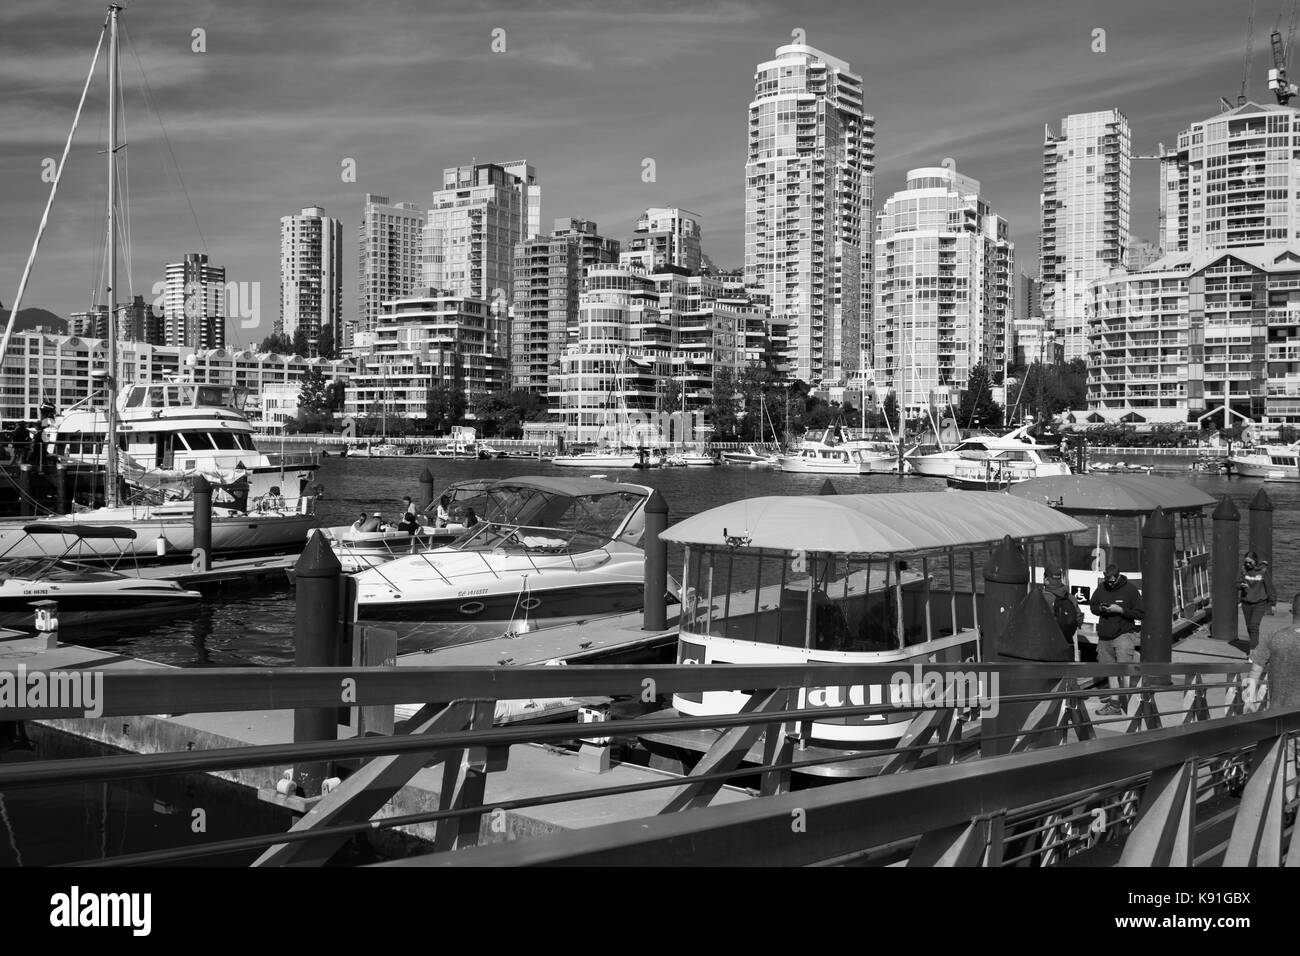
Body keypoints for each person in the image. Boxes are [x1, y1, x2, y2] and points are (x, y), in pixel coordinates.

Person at [1244, 593, 1300, 823]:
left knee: (1287, 762)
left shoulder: (1275, 637)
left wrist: (1251, 694)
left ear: (1292, 612)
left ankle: (1288, 807)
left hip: (1281, 713)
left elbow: (1256, 666)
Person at [1089, 563, 1144, 716]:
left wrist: (1121, 610)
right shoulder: (1102, 588)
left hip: (1123, 634)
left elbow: (1140, 613)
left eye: (1112, 581)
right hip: (1105, 635)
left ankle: (1128, 702)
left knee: (1124, 669)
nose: (1110, 583)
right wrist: (1101, 608)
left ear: (1118, 576)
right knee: (1110, 670)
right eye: (1107, 580)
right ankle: (1114, 704)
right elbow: (1092, 606)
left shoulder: (1131, 590)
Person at [1237, 550, 1276, 649]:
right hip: (1246, 603)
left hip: (1259, 603)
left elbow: (1269, 587)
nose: (1248, 564)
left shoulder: (1263, 571)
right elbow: (1236, 584)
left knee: (1254, 626)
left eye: (1250, 562)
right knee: (1249, 627)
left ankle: (1253, 651)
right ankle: (1256, 646)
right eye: (1246, 562)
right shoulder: (1243, 570)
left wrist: (1272, 603)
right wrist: (1241, 586)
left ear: (1255, 561)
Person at [1042, 565, 1085, 646]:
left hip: (1048, 643)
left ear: (1046, 579)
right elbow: (1079, 618)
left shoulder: (1042, 597)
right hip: (1067, 642)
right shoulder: (1070, 597)